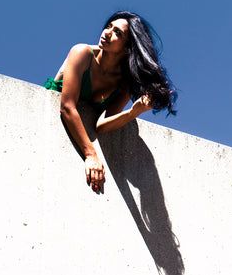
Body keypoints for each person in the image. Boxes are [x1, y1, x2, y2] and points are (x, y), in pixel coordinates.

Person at [45, 11, 177, 192]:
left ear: (127, 48)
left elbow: (101, 126)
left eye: (117, 33)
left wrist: (133, 113)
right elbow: (67, 107)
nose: (107, 33)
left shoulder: (124, 83)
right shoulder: (82, 53)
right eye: (108, 26)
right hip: (50, 125)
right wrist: (90, 155)